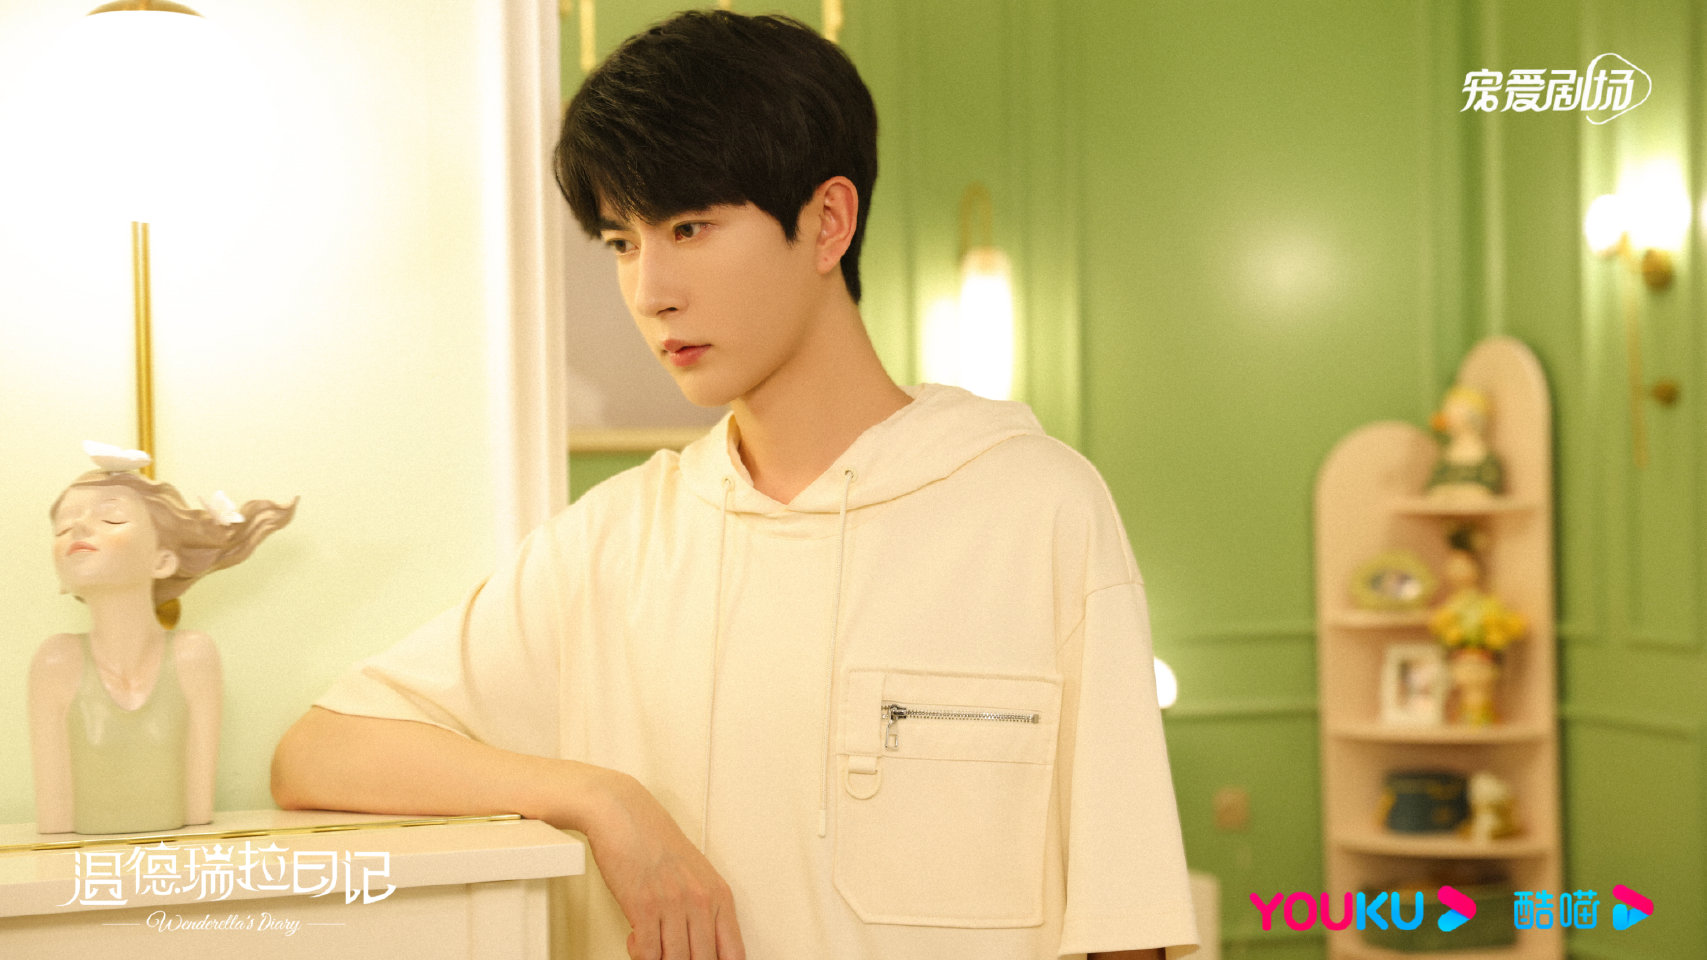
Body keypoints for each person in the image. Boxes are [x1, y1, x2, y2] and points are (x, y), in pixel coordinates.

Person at [271, 11, 1196, 960]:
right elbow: (319, 752)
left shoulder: (1035, 508)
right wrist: (605, 800)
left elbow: (1127, 926)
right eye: (622, 241)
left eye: (690, 227)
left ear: (827, 222)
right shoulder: (614, 543)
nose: (650, 291)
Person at [31, 455, 296, 834]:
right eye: (64, 526)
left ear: (163, 560)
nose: (80, 528)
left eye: (112, 518)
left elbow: (196, 811)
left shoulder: (193, 656)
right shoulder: (56, 662)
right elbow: (55, 822)